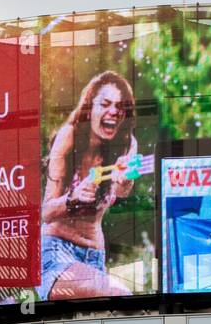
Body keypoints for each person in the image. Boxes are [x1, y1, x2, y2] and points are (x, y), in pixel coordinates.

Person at [39, 70, 138, 299]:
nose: (113, 111)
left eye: (120, 107)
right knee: (120, 294)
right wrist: (72, 198)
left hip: (94, 258)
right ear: (90, 107)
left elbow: (122, 191)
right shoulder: (69, 136)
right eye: (105, 104)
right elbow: (46, 213)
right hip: (57, 252)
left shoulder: (126, 144)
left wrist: (125, 181)